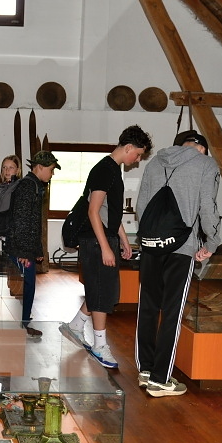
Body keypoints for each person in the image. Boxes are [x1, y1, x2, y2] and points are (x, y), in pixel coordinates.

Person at [135, 130, 221, 397]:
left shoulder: (154, 162)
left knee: (148, 307)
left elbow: (141, 207)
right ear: (201, 148)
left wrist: (149, 238)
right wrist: (212, 242)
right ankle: (161, 380)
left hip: (151, 245)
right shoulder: (205, 164)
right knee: (172, 312)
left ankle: (146, 370)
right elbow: (207, 206)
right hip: (182, 247)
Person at [61, 125, 152, 369]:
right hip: (95, 240)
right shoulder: (104, 170)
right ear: (128, 147)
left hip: (103, 238)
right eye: (138, 154)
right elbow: (93, 211)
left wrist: (123, 241)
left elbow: (110, 214)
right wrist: (105, 247)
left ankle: (76, 325)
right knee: (102, 294)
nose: (138, 159)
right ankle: (100, 345)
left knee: (102, 289)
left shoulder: (112, 169)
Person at [5, 151, 60, 338]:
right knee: (24, 288)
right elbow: (21, 222)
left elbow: (34, 223)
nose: (52, 174)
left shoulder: (34, 185)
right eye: (51, 169)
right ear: (40, 167)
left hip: (25, 248)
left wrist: (37, 250)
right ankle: (21, 326)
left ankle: (23, 324)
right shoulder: (28, 187)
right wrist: (23, 252)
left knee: (28, 287)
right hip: (20, 249)